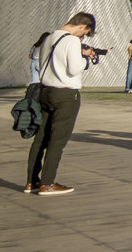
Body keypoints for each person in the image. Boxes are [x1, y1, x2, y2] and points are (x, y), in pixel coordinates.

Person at [25, 12, 99, 195]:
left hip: (45, 91)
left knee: (40, 139)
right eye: (84, 34)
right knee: (58, 140)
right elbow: (73, 69)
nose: (82, 38)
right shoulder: (72, 41)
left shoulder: (49, 37)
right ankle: (47, 183)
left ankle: (31, 182)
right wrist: (85, 58)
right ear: (83, 27)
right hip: (65, 94)